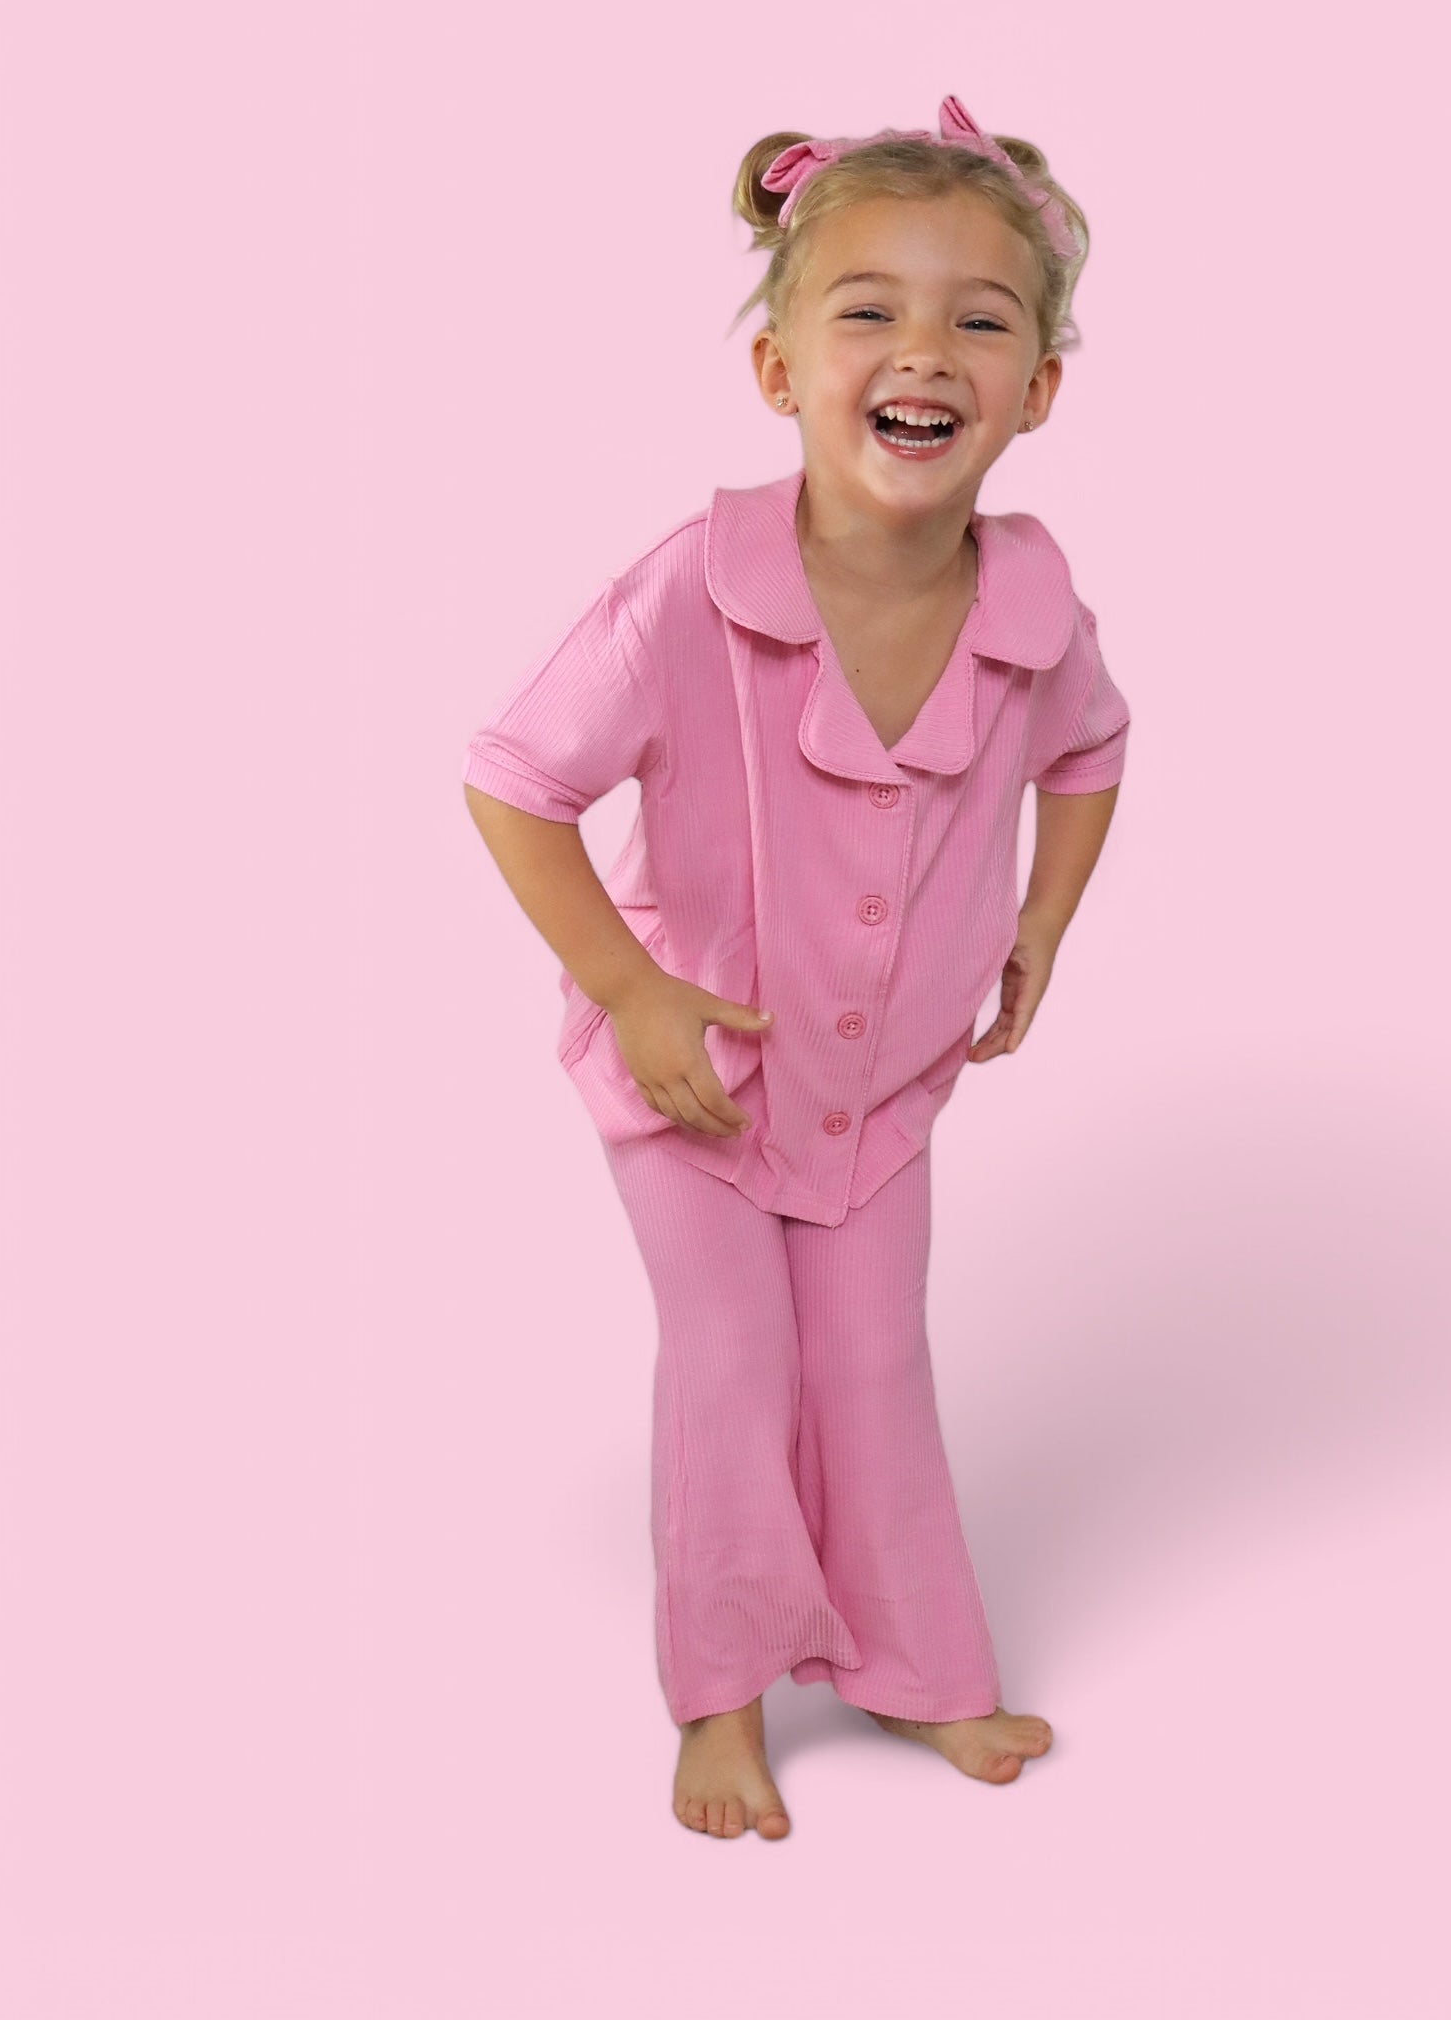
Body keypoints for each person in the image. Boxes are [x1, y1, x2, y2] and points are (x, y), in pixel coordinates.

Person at [461, 93, 1131, 1842]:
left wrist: (1043, 919)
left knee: (875, 1364)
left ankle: (916, 1668)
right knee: (735, 1364)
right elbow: (514, 778)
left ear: (1038, 391)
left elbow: (1092, 749)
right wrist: (629, 987)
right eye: (870, 310)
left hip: (880, 1087)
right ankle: (722, 1697)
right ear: (779, 369)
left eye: (980, 318)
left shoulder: (1034, 608)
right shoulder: (692, 589)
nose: (925, 350)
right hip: (690, 1079)